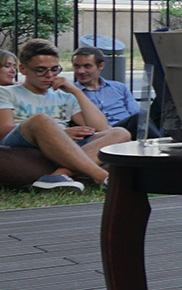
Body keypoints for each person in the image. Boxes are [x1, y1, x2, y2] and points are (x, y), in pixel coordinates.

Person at [0, 38, 132, 190]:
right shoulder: (6, 92)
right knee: (41, 120)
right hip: (24, 142)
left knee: (120, 132)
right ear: (23, 69)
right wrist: (59, 133)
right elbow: (4, 130)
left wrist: (76, 92)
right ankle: (102, 177)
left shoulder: (65, 96)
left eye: (55, 69)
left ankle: (60, 174)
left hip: (63, 147)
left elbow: (101, 127)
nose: (49, 75)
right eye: (41, 70)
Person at [71, 45, 143, 137]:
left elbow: (136, 112)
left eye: (87, 66)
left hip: (129, 127)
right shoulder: (72, 93)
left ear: (101, 66)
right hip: (102, 132)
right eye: (76, 66)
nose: (81, 71)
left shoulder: (119, 87)